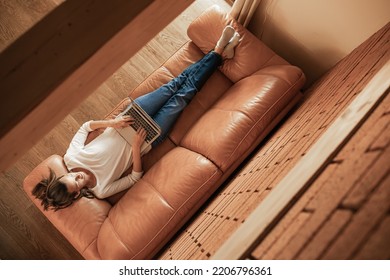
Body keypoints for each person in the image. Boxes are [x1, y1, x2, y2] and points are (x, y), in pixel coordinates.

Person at [33, 26, 241, 211]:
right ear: (77, 193)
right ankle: (219, 52)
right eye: (76, 183)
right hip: (147, 139)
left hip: (129, 119)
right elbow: (134, 177)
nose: (77, 176)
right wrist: (135, 149)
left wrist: (112, 122)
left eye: (71, 176)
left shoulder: (71, 158)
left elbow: (86, 127)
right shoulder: (102, 190)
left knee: (175, 84)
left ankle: (219, 53)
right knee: (185, 94)